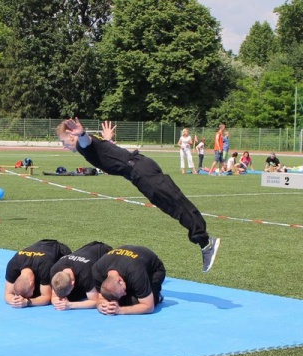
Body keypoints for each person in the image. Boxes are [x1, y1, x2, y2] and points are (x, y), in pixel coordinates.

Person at [56, 118, 220, 273]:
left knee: (176, 205)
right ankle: (204, 241)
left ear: (71, 136)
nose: (64, 146)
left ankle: (205, 242)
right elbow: (108, 152)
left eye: (63, 142)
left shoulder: (84, 145)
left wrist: (82, 134)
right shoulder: (91, 143)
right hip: (139, 171)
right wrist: (107, 140)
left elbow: (86, 142)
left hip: (140, 171)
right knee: (173, 206)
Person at [92, 245, 166, 315]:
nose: (125, 293)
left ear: (120, 280)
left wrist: (120, 310)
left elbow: (149, 307)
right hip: (129, 264)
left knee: (132, 302)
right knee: (113, 298)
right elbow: (101, 297)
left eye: (123, 291)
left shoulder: (136, 273)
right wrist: (101, 305)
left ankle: (156, 296)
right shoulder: (97, 271)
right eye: (123, 291)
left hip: (154, 270)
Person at [5, 239, 72, 308]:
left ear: (31, 284)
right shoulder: (13, 265)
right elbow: (8, 294)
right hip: (40, 246)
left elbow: (47, 297)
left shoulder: (45, 267)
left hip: (60, 250)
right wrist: (15, 301)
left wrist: (27, 302)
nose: (23, 298)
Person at [50, 241, 113, 310]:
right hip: (87, 249)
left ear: (73, 283)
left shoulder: (86, 274)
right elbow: (54, 296)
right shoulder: (54, 270)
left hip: (103, 251)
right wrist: (58, 303)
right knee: (73, 296)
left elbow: (96, 301)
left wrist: (70, 305)